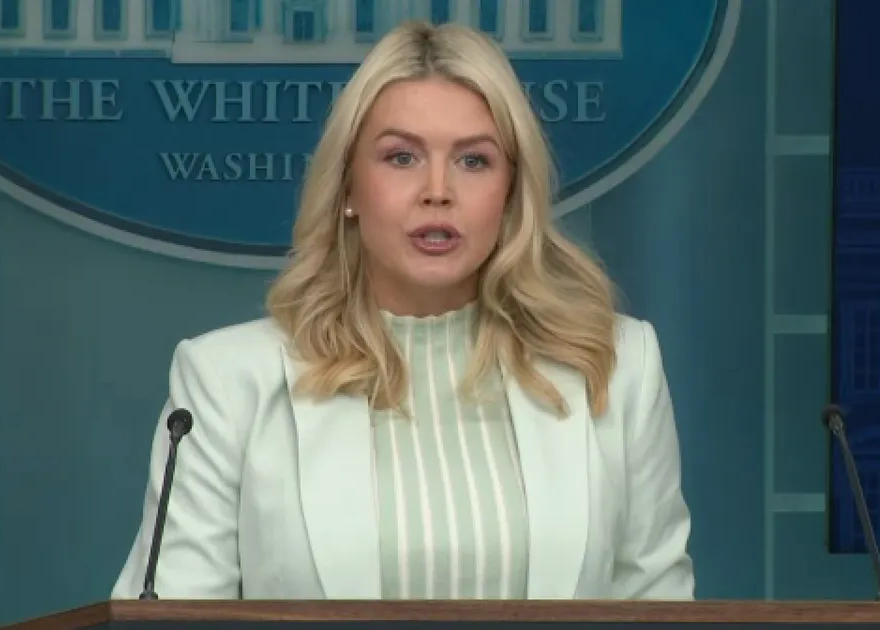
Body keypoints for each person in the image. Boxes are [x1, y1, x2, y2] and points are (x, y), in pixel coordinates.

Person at [111, 20, 694, 601]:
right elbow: (175, 613)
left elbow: (658, 607)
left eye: (473, 161)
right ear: (346, 189)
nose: (437, 190)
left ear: (512, 193)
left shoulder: (616, 368)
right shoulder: (225, 382)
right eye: (401, 157)